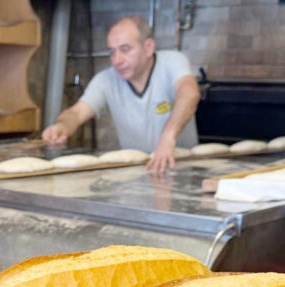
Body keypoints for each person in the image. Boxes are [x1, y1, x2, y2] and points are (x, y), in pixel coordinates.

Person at [41, 15, 200, 175]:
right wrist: (62, 126)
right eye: (112, 52)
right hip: (136, 173)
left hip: (180, 170)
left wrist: (168, 135)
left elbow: (190, 93)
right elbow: (77, 112)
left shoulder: (172, 62)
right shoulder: (106, 80)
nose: (117, 60)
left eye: (125, 49)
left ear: (148, 47)